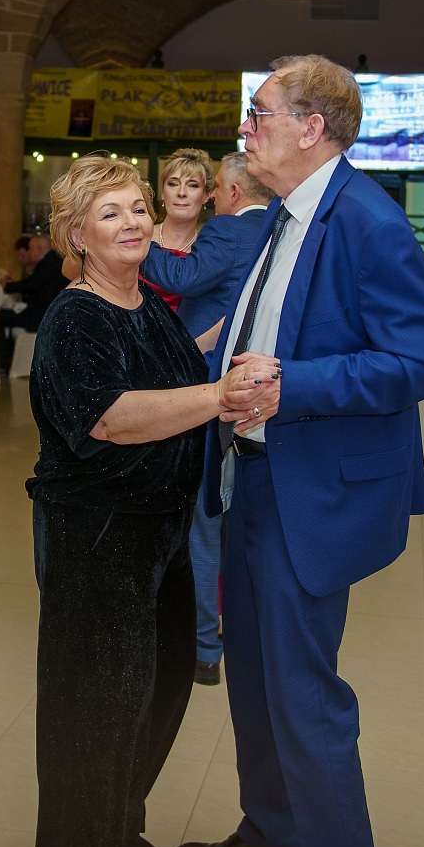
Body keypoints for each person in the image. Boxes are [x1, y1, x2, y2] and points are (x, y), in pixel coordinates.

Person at [172, 55, 424, 847]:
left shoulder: (366, 221)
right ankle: (274, 833)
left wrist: (295, 385)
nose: (244, 129)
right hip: (253, 477)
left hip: (312, 492)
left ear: (311, 128)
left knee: (303, 696)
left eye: (258, 113)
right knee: (255, 680)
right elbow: (254, 330)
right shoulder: (279, 216)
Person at [26, 154, 278, 847]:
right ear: (77, 235)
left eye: (138, 207)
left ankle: (111, 822)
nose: (134, 222)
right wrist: (217, 396)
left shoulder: (143, 304)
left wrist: (244, 347)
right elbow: (111, 418)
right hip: (99, 538)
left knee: (158, 690)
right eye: (111, 213)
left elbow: (183, 369)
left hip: (159, 535)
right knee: (97, 705)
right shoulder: (77, 317)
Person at [141, 151, 273, 686]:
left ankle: (202, 647)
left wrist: (122, 235)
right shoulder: (281, 228)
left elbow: (181, 274)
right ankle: (226, 638)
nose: (211, 195)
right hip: (254, 390)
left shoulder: (228, 230)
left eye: (210, 186)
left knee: (202, 518)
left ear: (230, 193)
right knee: (231, 515)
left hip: (203, 387)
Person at [142, 147, 214, 311]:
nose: (181, 193)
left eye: (193, 185)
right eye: (173, 184)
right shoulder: (140, 236)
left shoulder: (208, 252)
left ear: (206, 195)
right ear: (162, 192)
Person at [0, 234, 69, 373]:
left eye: (30, 249)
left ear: (40, 248)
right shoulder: (51, 261)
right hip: (42, 312)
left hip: (39, 317)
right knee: (4, 316)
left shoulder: (50, 263)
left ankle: (3, 363)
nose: (29, 252)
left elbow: (31, 284)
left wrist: (6, 286)